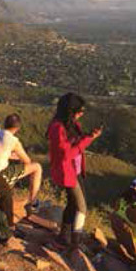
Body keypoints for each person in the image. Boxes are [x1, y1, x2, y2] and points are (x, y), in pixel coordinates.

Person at [46, 93, 102, 252]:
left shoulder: (71, 124)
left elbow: (76, 144)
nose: (81, 114)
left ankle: (64, 237)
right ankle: (75, 241)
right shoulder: (57, 128)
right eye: (79, 111)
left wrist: (89, 135)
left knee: (72, 204)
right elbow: (67, 154)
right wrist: (88, 139)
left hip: (74, 170)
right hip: (67, 172)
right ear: (70, 111)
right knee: (81, 207)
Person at [0, 113, 42, 223]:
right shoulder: (13, 141)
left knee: (11, 165)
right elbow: (27, 161)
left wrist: (10, 155)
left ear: (5, 124)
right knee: (37, 167)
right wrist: (16, 156)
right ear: (17, 128)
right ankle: (32, 203)